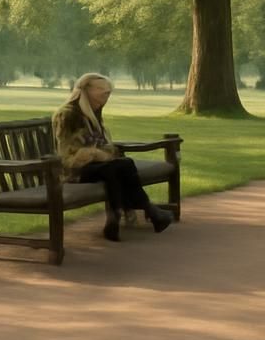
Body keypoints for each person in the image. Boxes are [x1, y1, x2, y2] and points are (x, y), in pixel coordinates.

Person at [52, 73, 174, 242]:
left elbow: (104, 145)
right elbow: (67, 155)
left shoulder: (94, 114)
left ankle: (115, 217)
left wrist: (103, 154)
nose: (106, 95)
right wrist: (96, 154)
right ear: (85, 90)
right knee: (119, 167)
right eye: (101, 90)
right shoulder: (68, 115)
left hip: (99, 168)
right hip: (74, 171)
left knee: (118, 168)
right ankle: (150, 211)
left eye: (108, 92)